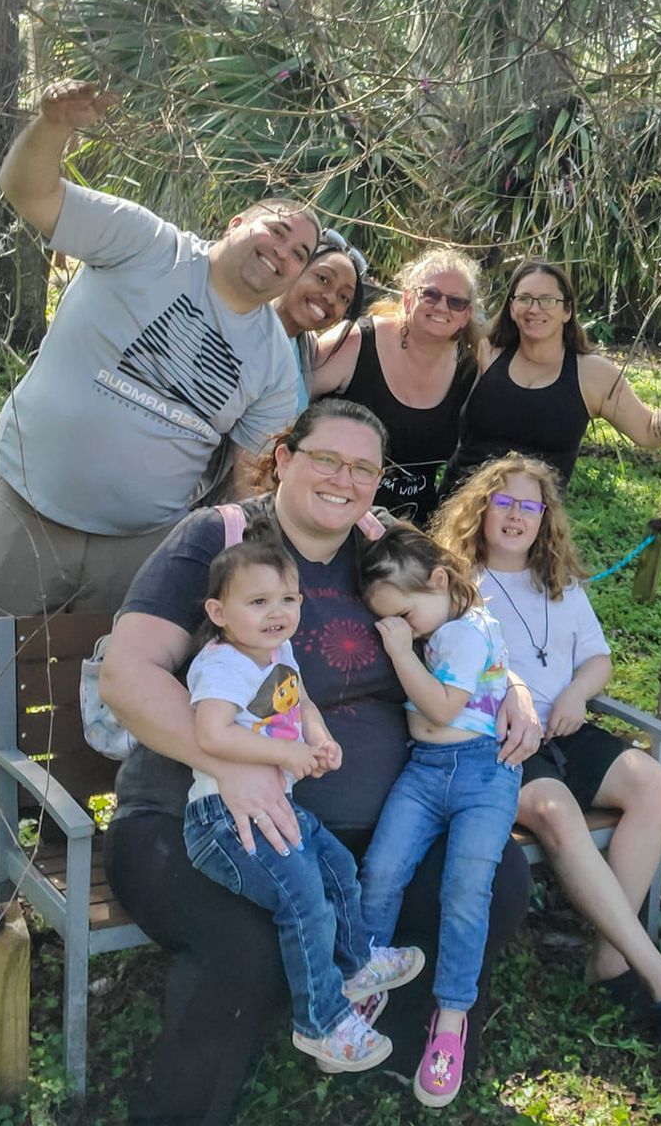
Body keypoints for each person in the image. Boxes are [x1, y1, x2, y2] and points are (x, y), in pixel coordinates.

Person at [99, 399, 543, 1125]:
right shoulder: (219, 540)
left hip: (367, 825)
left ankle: (389, 1066)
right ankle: (180, 1112)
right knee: (244, 946)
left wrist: (515, 689)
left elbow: (464, 618)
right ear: (283, 459)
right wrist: (232, 763)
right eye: (326, 459)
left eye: (364, 468)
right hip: (200, 816)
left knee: (499, 879)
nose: (345, 479)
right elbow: (127, 675)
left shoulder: (383, 545)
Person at [0, 79, 317, 804]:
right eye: (276, 229)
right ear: (238, 219)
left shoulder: (274, 364)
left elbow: (248, 480)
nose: (282, 251)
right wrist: (52, 126)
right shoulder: (146, 245)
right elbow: (29, 192)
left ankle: (64, 839)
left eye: (299, 252)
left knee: (100, 703)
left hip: (137, 547)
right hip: (26, 507)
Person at [432, 455, 661, 1069]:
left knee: (650, 783)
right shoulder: (454, 582)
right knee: (556, 811)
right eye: (503, 502)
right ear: (481, 509)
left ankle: (607, 957)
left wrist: (572, 694)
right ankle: (659, 978)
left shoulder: (557, 584)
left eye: (529, 506)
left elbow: (598, 660)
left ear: (545, 519)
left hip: (566, 727)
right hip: (495, 739)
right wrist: (516, 695)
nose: (515, 515)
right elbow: (452, 662)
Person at [181, 539, 424, 1071]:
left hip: (274, 806)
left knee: (338, 867)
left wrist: (318, 738)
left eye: (288, 599)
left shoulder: (277, 653)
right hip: (224, 819)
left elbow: (301, 699)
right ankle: (322, 1023)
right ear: (219, 613)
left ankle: (357, 963)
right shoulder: (221, 666)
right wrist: (286, 752)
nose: (278, 613)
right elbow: (212, 734)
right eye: (259, 602)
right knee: (304, 902)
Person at [356, 525, 522, 1107]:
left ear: (441, 581)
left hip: (481, 771)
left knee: (467, 887)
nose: (398, 627)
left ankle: (450, 1020)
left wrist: (401, 650)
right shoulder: (441, 623)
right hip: (425, 768)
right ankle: (366, 985)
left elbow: (443, 704)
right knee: (381, 869)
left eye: (404, 613)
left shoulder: (467, 633)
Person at [441, 259, 661, 497]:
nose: (534, 309)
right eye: (524, 298)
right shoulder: (487, 354)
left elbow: (649, 429)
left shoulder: (592, 374)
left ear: (567, 311)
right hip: (457, 515)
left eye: (548, 300)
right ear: (512, 308)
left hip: (529, 531)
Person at [312, 248, 481, 522]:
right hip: (332, 507)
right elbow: (288, 405)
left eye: (456, 302)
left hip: (412, 529)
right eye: (430, 295)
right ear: (407, 297)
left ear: (466, 315)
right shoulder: (355, 342)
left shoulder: (471, 369)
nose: (441, 307)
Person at [276, 228, 367, 416]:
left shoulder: (307, 352)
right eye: (323, 279)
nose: (331, 298)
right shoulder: (242, 321)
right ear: (297, 266)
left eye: (344, 297)